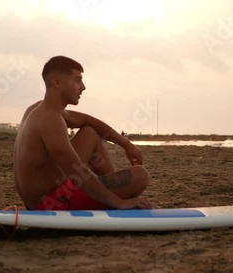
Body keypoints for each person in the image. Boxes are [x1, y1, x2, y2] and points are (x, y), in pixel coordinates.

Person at [14, 56, 151, 211]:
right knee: (140, 176)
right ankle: (116, 198)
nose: (83, 87)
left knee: (90, 133)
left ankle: (116, 193)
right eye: (77, 80)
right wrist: (119, 203)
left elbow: (88, 120)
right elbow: (75, 170)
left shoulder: (40, 109)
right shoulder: (50, 120)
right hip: (50, 204)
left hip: (46, 196)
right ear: (57, 83)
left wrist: (126, 144)